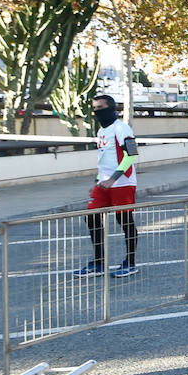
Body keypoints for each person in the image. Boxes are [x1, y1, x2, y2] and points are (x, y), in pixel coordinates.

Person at [73, 94, 140, 278]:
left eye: (100, 107)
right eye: (94, 108)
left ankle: (131, 262)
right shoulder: (101, 132)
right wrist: (98, 181)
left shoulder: (122, 128)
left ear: (111, 108)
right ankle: (98, 262)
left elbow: (132, 154)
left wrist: (113, 179)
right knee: (92, 218)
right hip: (103, 182)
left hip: (123, 182)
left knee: (125, 221)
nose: (97, 112)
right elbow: (103, 158)